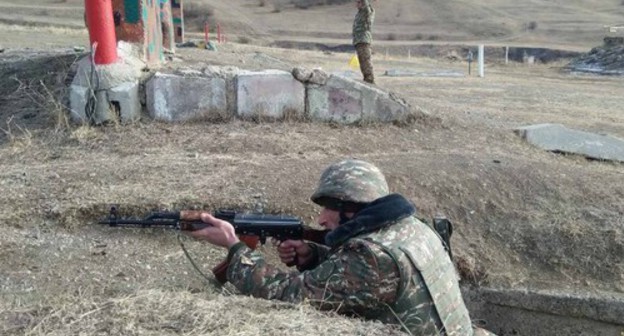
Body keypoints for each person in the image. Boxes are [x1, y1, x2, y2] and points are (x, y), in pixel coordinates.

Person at [191, 159, 496, 335]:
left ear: (352, 209)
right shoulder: (414, 227)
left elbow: (287, 295)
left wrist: (234, 248)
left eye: (329, 208)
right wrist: (315, 256)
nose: (321, 219)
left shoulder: (372, 257)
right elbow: (375, 283)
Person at [353, 0, 376, 84]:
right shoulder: (359, 13)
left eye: (358, 2)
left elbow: (366, 4)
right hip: (359, 40)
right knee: (362, 61)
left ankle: (370, 79)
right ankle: (366, 79)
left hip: (364, 40)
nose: (356, 4)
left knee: (365, 60)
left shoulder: (366, 11)